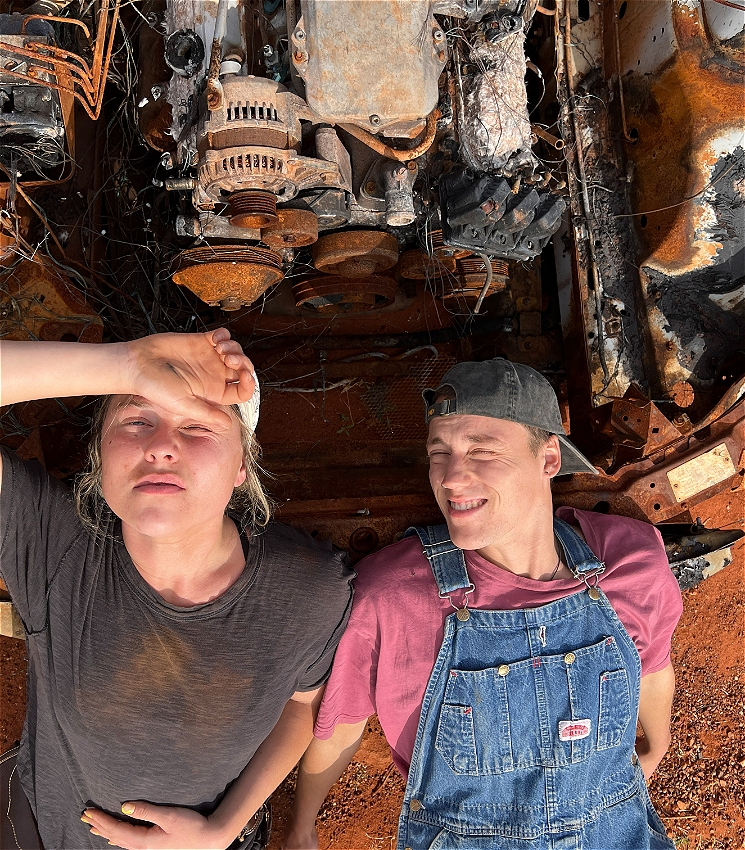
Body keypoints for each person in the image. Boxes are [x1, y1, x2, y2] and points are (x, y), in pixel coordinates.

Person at [282, 359, 682, 850]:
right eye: (438, 454)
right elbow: (341, 724)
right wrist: (302, 826)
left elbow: (652, 662)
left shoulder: (632, 562)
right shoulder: (392, 594)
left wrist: (657, 743)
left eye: (483, 450)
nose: (451, 478)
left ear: (549, 459)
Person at [0, 329, 354, 850]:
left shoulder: (310, 588)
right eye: (137, 420)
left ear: (241, 466)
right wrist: (125, 364)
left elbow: (301, 704)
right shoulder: (54, 545)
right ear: (101, 460)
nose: (162, 447)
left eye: (197, 426)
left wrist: (223, 828)